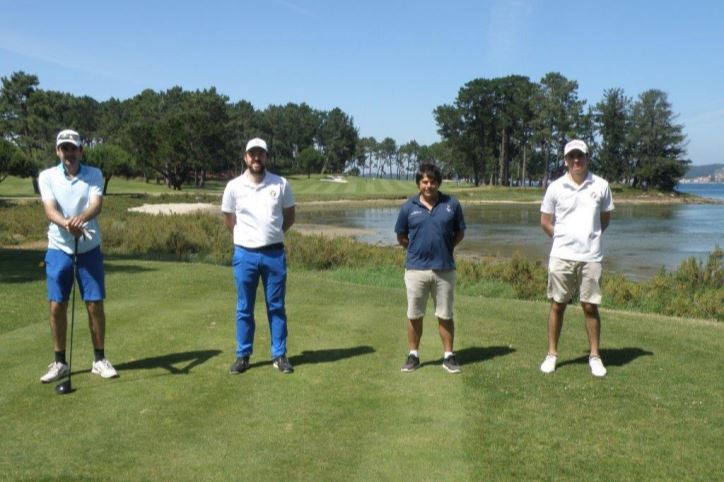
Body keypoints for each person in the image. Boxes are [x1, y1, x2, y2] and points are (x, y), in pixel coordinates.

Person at [38, 129, 118, 383]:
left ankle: (99, 359)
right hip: (59, 246)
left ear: (81, 150)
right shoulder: (47, 176)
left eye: (73, 148)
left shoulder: (93, 173)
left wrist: (80, 220)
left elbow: (96, 204)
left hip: (89, 247)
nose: (69, 153)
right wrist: (66, 224)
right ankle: (60, 362)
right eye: (64, 148)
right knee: (57, 303)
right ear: (57, 151)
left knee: (94, 303)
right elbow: (50, 210)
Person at [539, 139, 614, 377]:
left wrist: (589, 238)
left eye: (580, 156)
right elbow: (545, 221)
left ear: (587, 158)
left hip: (591, 256)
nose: (576, 161)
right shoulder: (555, 187)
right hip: (561, 255)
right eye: (571, 157)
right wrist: (561, 238)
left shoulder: (601, 185)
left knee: (590, 306)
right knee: (557, 304)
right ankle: (552, 354)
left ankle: (594, 356)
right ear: (565, 160)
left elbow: (604, 220)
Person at [222, 138, 296, 374]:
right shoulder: (234, 186)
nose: (256, 158)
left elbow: (290, 216)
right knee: (244, 307)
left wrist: (273, 235)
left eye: (260, 154)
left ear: (266, 157)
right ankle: (243, 355)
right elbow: (229, 220)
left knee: (276, 307)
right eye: (252, 154)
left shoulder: (281, 184)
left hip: (274, 254)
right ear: (245, 157)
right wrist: (246, 238)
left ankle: (280, 355)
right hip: (245, 255)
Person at [394, 163, 466, 373]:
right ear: (419, 183)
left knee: (445, 314)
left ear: (438, 183)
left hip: (445, 269)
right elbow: (401, 236)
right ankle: (413, 355)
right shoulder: (408, 207)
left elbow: (460, 233)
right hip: (416, 269)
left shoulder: (451, 204)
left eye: (433, 181)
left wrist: (446, 246)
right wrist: (416, 249)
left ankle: (448, 356)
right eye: (425, 181)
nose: (429, 185)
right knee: (414, 314)